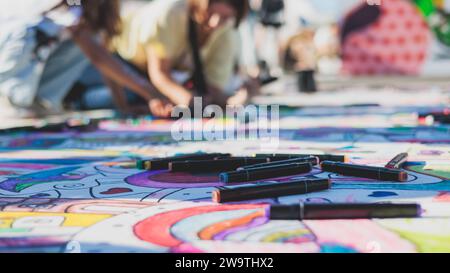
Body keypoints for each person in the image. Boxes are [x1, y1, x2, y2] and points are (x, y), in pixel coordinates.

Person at [0, 0, 162, 118]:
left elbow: (104, 61)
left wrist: (123, 106)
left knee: (88, 42)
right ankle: (11, 100)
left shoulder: (90, 17)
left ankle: (40, 102)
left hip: (29, 57)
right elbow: (98, 57)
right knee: (83, 41)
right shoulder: (73, 3)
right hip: (11, 50)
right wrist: (151, 93)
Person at [109, 0, 259, 112]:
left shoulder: (228, 32)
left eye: (225, 17)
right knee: (117, 102)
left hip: (167, 76)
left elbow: (211, 90)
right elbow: (159, 74)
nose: (215, 23)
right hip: (123, 65)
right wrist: (190, 102)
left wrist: (237, 100)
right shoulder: (171, 13)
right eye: (209, 14)